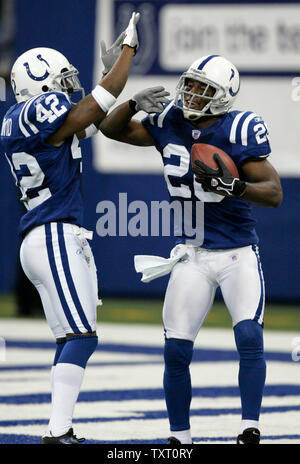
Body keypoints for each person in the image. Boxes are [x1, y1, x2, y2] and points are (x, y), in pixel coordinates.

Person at [98, 54, 283, 444]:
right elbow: (109, 129)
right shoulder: (170, 120)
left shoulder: (240, 128)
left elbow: (274, 194)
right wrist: (130, 103)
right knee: (176, 351)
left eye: (203, 89)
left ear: (223, 97)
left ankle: (250, 427)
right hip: (192, 253)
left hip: (236, 253)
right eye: (190, 84)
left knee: (249, 338)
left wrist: (236, 188)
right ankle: (179, 438)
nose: (191, 93)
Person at [0, 12, 150, 445]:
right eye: (61, 80)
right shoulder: (37, 111)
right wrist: (127, 54)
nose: (69, 88)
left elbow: (93, 120)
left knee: (72, 336)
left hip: (42, 237)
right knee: (83, 336)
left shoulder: (20, 120)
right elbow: (95, 108)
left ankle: (60, 427)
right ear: (40, 87)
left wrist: (109, 77)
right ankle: (58, 430)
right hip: (54, 235)